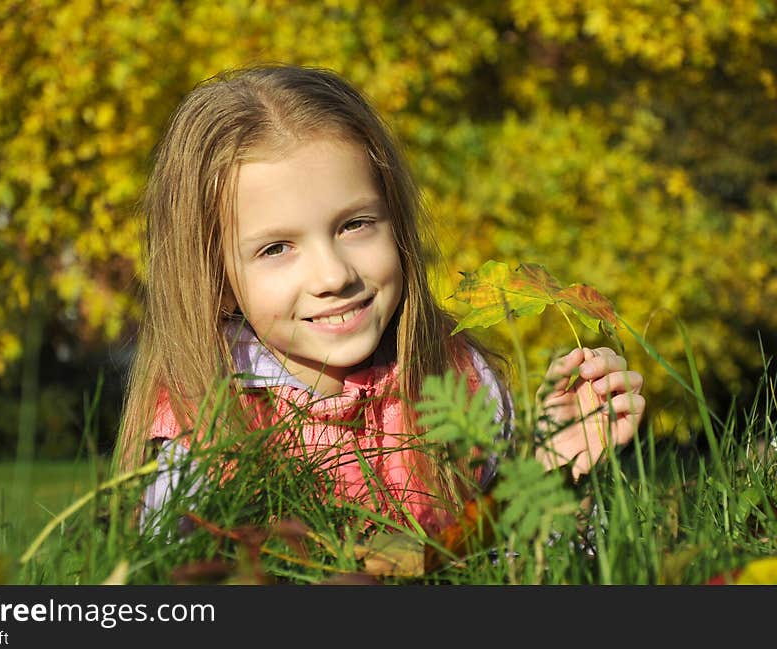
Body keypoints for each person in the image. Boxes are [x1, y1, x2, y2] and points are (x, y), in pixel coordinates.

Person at [115, 64, 646, 538]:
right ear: (218, 278)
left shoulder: (452, 375)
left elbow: (511, 556)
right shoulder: (207, 424)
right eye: (276, 248)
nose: (333, 274)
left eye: (356, 225)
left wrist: (552, 465)